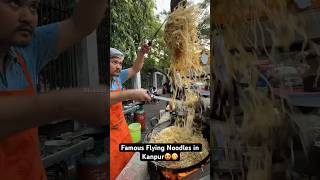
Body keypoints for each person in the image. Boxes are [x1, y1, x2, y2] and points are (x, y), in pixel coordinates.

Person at [0, 1, 107, 179]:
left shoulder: (25, 50)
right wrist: (70, 104)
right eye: (14, 3)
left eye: (33, 7)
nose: (28, 17)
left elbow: (80, 24)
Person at [109, 46, 151, 179]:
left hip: (122, 128)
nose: (118, 67)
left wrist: (141, 53)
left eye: (120, 63)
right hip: (109, 136)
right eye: (114, 62)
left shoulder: (117, 78)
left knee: (129, 164)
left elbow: (135, 68)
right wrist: (132, 93)